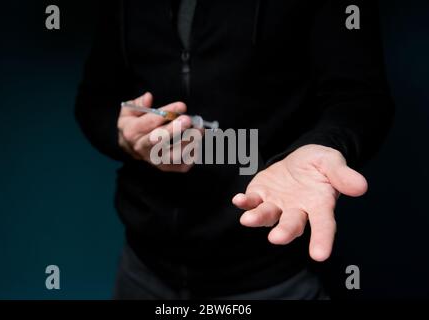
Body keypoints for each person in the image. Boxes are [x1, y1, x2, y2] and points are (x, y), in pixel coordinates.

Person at [75, 0, 393, 299]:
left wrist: (324, 144)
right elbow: (94, 102)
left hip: (271, 272)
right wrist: (123, 135)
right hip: (142, 268)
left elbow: (360, 99)